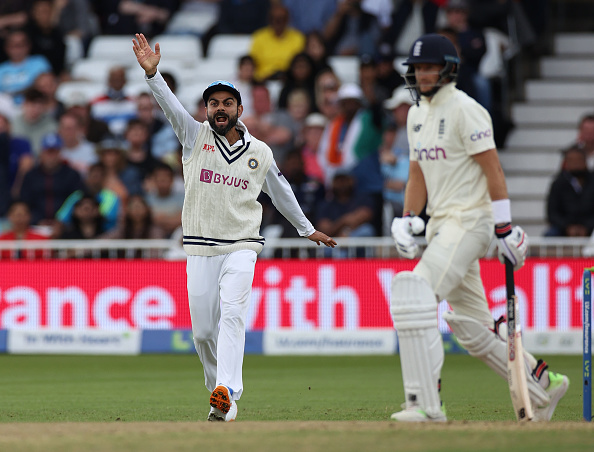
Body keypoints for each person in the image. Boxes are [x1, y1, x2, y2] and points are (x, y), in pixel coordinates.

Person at [132, 32, 336, 422]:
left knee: (233, 314)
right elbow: (169, 106)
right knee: (203, 334)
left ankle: (228, 388)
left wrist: (307, 229)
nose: (220, 108)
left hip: (242, 245)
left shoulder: (260, 151)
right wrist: (153, 76)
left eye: (227, 103)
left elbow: (281, 191)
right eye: (213, 103)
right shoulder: (193, 136)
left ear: (240, 109)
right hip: (199, 249)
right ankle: (218, 395)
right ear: (206, 109)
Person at [388, 33, 568, 422]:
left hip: (470, 221)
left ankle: (425, 406)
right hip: (440, 226)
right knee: (473, 327)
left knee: (414, 292)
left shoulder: (466, 109)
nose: (422, 74)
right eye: (417, 68)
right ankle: (544, 384)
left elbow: (493, 169)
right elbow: (417, 174)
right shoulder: (416, 114)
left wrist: (503, 227)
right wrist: (408, 218)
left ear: (448, 69)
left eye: (429, 67)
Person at [545, 146, 594, 237]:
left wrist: (587, 227)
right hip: (564, 229)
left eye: (578, 160)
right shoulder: (558, 183)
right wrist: (567, 227)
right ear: (566, 163)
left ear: (585, 161)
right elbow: (552, 213)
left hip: (591, 228)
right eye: (571, 160)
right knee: (550, 235)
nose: (576, 164)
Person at [249, 4, 305, 81]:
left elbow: (300, 63)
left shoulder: (298, 37)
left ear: (288, 20)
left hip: (290, 81)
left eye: (282, 19)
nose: (278, 22)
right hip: (263, 81)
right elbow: (252, 63)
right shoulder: (259, 37)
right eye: (275, 19)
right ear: (269, 20)